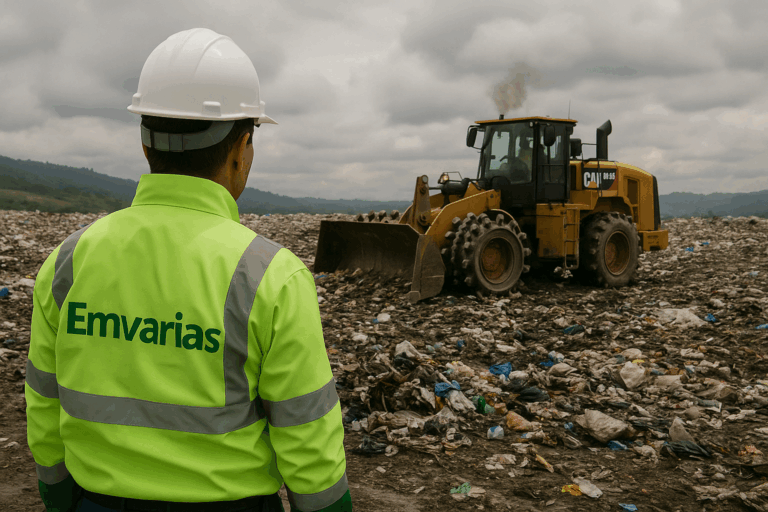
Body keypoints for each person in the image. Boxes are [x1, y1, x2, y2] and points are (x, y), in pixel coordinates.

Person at [25, 28, 352, 512]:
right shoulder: (271, 277)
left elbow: (44, 399)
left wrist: (55, 491)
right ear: (242, 147)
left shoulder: (68, 262)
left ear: (145, 145)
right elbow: (307, 436)